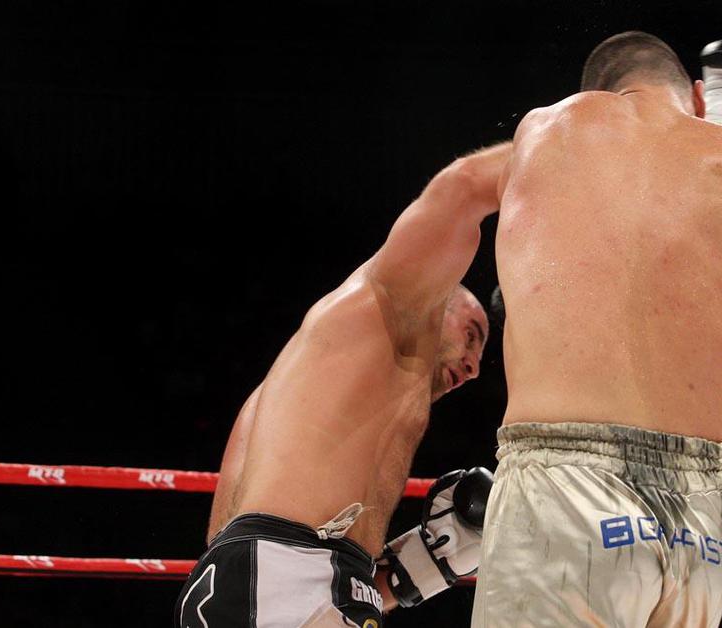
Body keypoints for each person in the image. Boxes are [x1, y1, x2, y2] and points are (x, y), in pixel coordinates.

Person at [472, 32, 722, 627]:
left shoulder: (553, 128)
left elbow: (468, 190)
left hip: (569, 487)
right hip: (702, 520)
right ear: (698, 97)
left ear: (602, 93)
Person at [175, 141, 513, 627]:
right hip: (276, 585)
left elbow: (278, 566)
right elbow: (464, 185)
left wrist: (430, 562)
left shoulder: (305, 408)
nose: (475, 366)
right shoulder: (383, 302)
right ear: (436, 298)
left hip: (274, 587)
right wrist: (571, 143)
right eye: (472, 335)